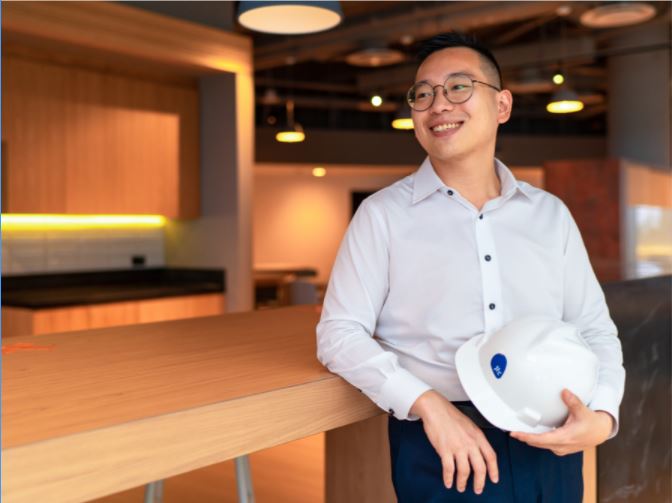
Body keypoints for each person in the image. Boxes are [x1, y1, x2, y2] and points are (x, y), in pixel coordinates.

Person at [316, 32, 625, 502]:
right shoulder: (382, 215)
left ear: (501, 106)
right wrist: (428, 406)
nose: (438, 104)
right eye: (423, 93)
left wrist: (602, 416)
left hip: (552, 436)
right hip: (443, 444)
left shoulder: (550, 214)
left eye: (458, 87)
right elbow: (338, 333)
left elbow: (593, 329)